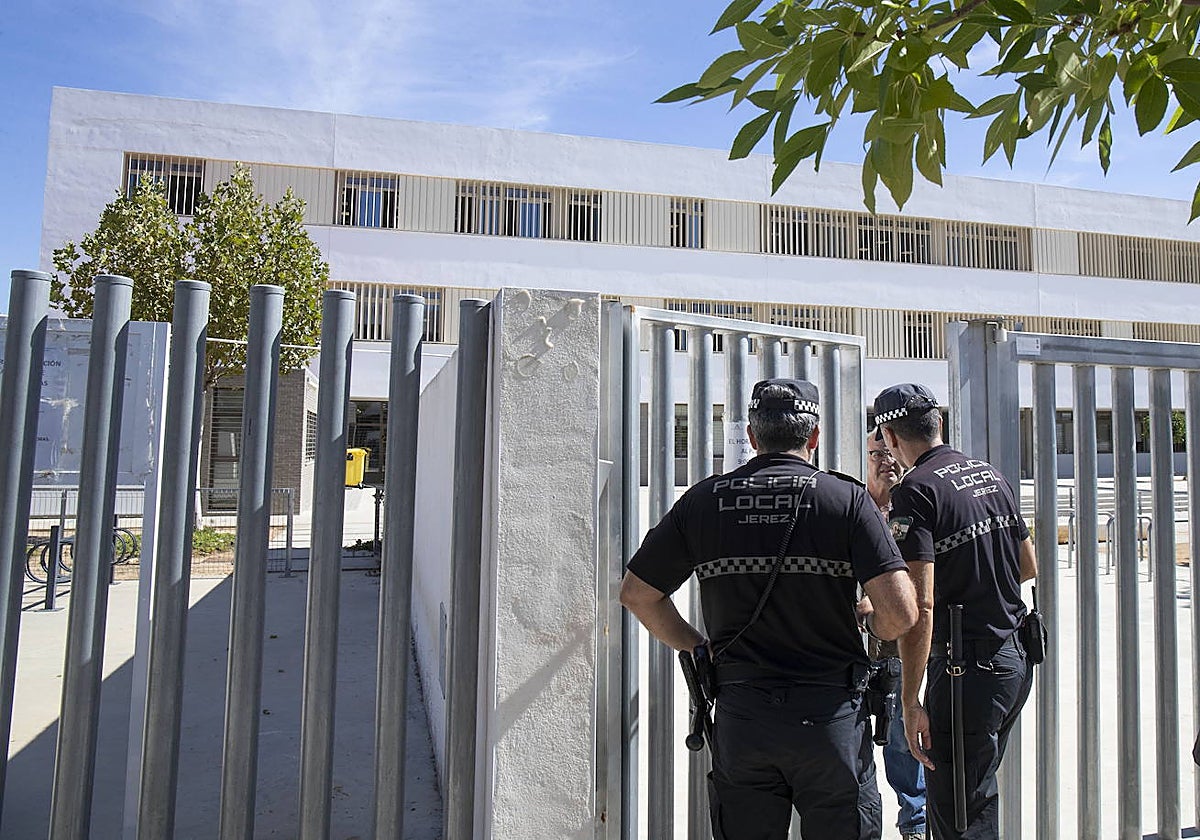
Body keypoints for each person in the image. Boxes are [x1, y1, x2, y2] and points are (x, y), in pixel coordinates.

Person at [620, 378, 918, 840]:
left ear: (753, 437)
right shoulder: (845, 499)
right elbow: (901, 614)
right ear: (814, 437)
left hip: (743, 719)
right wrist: (869, 621)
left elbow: (638, 594)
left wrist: (698, 646)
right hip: (831, 720)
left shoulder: (703, 501)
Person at [872, 383, 1038, 840]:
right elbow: (1028, 565)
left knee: (959, 813)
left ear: (890, 437)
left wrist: (910, 701)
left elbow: (920, 604)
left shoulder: (916, 490)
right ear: (938, 423)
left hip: (967, 669)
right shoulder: (989, 474)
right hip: (1013, 660)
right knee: (974, 795)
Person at [861, 431, 927, 840]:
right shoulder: (854, 506)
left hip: (901, 644)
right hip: (855, 645)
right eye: (876, 454)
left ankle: (915, 822)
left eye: (890, 452)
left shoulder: (913, 506)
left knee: (904, 738)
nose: (886, 460)